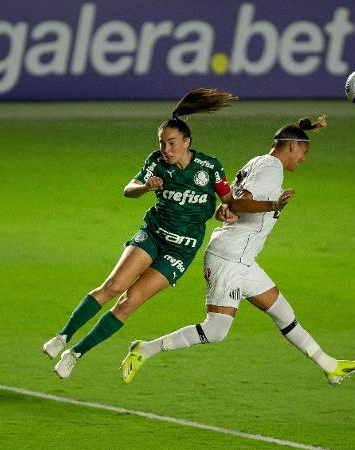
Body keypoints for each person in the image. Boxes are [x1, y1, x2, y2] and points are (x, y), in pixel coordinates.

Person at [43, 88, 284, 378]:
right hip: (153, 235)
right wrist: (146, 187)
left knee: (129, 303)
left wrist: (231, 211)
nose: (166, 150)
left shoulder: (209, 167)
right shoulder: (156, 163)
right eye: (162, 144)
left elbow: (229, 201)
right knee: (114, 286)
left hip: (181, 250)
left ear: (187, 141)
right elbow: (128, 189)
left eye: (172, 143)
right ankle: (63, 336)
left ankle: (75, 354)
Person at [121, 116, 355, 386]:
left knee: (283, 312)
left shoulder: (258, 162)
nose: (303, 159)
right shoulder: (272, 167)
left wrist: (230, 210)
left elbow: (229, 204)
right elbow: (240, 203)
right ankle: (145, 349)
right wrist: (272, 205)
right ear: (292, 146)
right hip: (230, 257)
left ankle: (330, 366)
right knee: (216, 330)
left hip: (243, 258)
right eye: (304, 152)